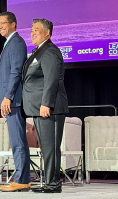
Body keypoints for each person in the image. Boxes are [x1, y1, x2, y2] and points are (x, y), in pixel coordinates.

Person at [22, 18, 69, 193]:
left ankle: (53, 184)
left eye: (37, 29)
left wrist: (45, 103)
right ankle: (49, 181)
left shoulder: (50, 51)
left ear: (47, 33)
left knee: (50, 147)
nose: (32, 32)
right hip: (38, 107)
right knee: (46, 147)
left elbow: (51, 79)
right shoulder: (38, 51)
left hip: (50, 107)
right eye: (32, 29)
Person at [0, 11, 31, 192]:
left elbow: (16, 72)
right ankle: (21, 178)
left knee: (18, 142)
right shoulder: (9, 43)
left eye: (3, 23)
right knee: (16, 142)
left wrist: (7, 96)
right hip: (10, 100)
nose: (0, 26)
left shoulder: (16, 43)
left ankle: (22, 180)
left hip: (14, 100)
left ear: (13, 24)